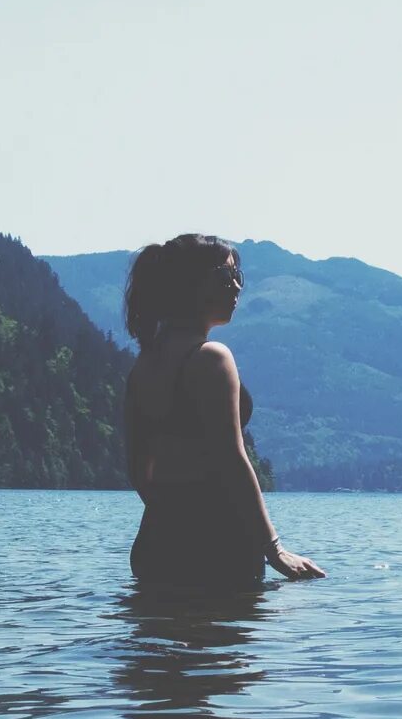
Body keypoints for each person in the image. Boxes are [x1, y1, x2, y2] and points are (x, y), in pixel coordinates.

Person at [121, 234, 325, 595]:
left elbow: (139, 469)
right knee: (225, 649)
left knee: (156, 645)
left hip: (156, 542)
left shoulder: (144, 366)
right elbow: (232, 458)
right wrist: (274, 550)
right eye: (223, 276)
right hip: (219, 543)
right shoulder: (212, 358)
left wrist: (172, 520)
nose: (235, 287)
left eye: (237, 276)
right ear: (191, 285)